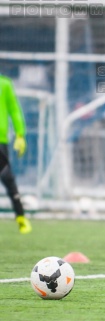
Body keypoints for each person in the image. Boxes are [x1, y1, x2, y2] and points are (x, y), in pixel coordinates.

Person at [0, 73, 32, 234]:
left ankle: (20, 216)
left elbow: (14, 109)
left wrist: (20, 134)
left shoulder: (4, 84)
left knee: (7, 178)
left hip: (0, 141)